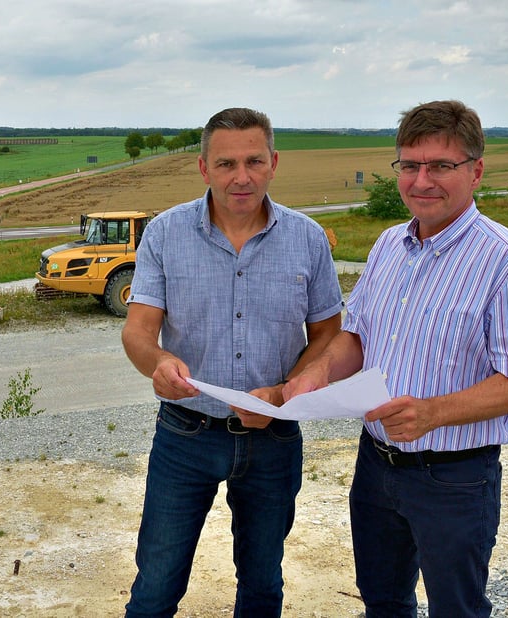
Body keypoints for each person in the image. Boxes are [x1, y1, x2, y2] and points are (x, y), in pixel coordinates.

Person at [283, 100, 508, 617]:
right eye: (410, 165)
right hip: (376, 463)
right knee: (383, 600)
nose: (422, 180)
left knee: (457, 608)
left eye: (440, 166)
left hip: (453, 478)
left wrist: (432, 413)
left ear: (475, 171)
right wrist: (315, 373)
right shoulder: (389, 243)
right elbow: (356, 335)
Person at [121, 107, 345, 617]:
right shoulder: (164, 233)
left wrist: (283, 393)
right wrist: (156, 362)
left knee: (263, 584)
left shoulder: (308, 238)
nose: (240, 177)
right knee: (155, 585)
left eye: (253, 161)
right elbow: (137, 331)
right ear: (203, 168)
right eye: (225, 164)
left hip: (274, 437)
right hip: (185, 435)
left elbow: (328, 333)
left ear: (273, 163)